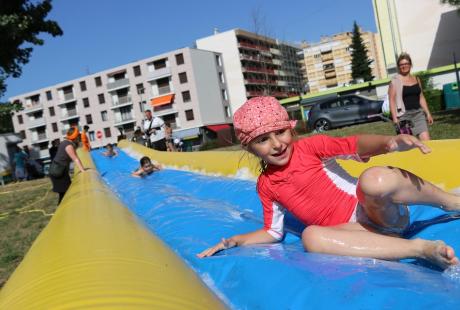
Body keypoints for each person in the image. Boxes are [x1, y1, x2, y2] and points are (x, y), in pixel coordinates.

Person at [198, 96, 460, 270]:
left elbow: (353, 144)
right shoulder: (267, 186)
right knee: (310, 236)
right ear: (251, 148)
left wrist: (389, 143)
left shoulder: (310, 147)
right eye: (263, 140)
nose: (277, 144)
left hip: (381, 213)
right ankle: (420, 250)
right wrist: (234, 240)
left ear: (291, 130)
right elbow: (273, 232)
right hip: (358, 234)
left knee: (373, 179)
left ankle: (452, 201)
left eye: (280, 132)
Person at [389, 52, 433, 141]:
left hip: (418, 114)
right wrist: (395, 119)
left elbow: (421, 97)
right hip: (404, 116)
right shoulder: (395, 81)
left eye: (406, 63)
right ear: (398, 66)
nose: (404, 66)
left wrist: (428, 113)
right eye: (401, 64)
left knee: (427, 142)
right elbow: (392, 100)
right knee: (408, 145)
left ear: (410, 64)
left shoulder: (416, 79)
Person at [50, 127, 88, 204]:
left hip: (59, 169)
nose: (79, 137)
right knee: (65, 193)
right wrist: (83, 171)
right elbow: (75, 159)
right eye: (78, 136)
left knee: (65, 192)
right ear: (75, 137)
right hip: (58, 171)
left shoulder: (66, 142)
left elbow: (76, 155)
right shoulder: (68, 146)